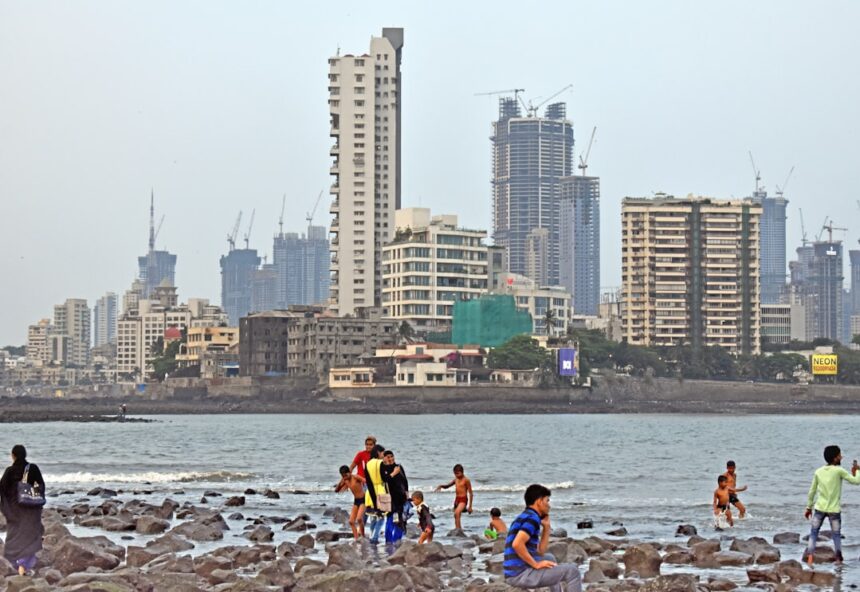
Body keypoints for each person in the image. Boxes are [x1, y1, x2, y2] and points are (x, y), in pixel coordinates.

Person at [504, 484, 581, 592]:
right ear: (539, 501)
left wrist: (546, 527)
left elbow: (540, 552)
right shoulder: (532, 519)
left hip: (513, 572)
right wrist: (536, 564)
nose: (549, 505)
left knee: (549, 558)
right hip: (520, 574)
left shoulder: (524, 516)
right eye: (547, 500)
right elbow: (517, 544)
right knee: (573, 572)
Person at [803, 445, 860, 566]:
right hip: (834, 510)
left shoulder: (818, 472)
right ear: (835, 458)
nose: (842, 457)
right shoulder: (839, 471)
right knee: (836, 535)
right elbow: (856, 481)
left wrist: (808, 507)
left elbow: (812, 491)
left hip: (819, 508)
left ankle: (810, 559)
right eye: (840, 455)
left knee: (813, 533)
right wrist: (857, 471)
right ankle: (839, 559)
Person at [0, 445, 46, 576]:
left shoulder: (9, 471)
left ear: (13, 455)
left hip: (15, 511)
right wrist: (38, 505)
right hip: (30, 510)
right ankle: (24, 565)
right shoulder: (33, 468)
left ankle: (18, 566)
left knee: (14, 539)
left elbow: (2, 490)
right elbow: (41, 487)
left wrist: (6, 509)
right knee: (31, 538)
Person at [381, 449, 409, 544]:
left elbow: (405, 481)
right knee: (390, 519)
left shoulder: (399, 467)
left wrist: (407, 493)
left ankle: (397, 540)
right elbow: (385, 480)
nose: (390, 459)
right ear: (384, 458)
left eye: (391, 456)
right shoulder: (383, 468)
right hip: (389, 498)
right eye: (388, 457)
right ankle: (388, 541)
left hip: (400, 497)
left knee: (400, 519)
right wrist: (393, 473)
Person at [436, 463, 473, 530]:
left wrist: (470, 506)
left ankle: (459, 529)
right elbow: (448, 486)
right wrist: (441, 486)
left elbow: (470, 493)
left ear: (462, 472)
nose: (456, 475)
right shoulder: (456, 479)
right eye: (455, 474)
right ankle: (457, 528)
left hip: (463, 499)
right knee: (455, 515)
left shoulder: (466, 480)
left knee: (457, 513)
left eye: (458, 473)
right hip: (457, 499)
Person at [363, 444, 387, 543]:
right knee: (381, 517)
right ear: (378, 452)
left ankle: (372, 535)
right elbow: (385, 479)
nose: (383, 455)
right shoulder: (381, 463)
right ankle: (374, 537)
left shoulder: (368, 464)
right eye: (383, 453)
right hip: (381, 490)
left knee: (373, 517)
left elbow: (367, 481)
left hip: (370, 491)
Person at [335, 465, 366, 539]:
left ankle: (363, 536)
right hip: (356, 501)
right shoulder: (345, 480)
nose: (345, 477)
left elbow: (366, 481)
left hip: (363, 500)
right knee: (351, 521)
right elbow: (336, 490)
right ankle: (356, 539)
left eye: (346, 475)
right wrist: (341, 481)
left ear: (349, 472)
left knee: (359, 519)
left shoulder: (355, 477)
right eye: (343, 476)